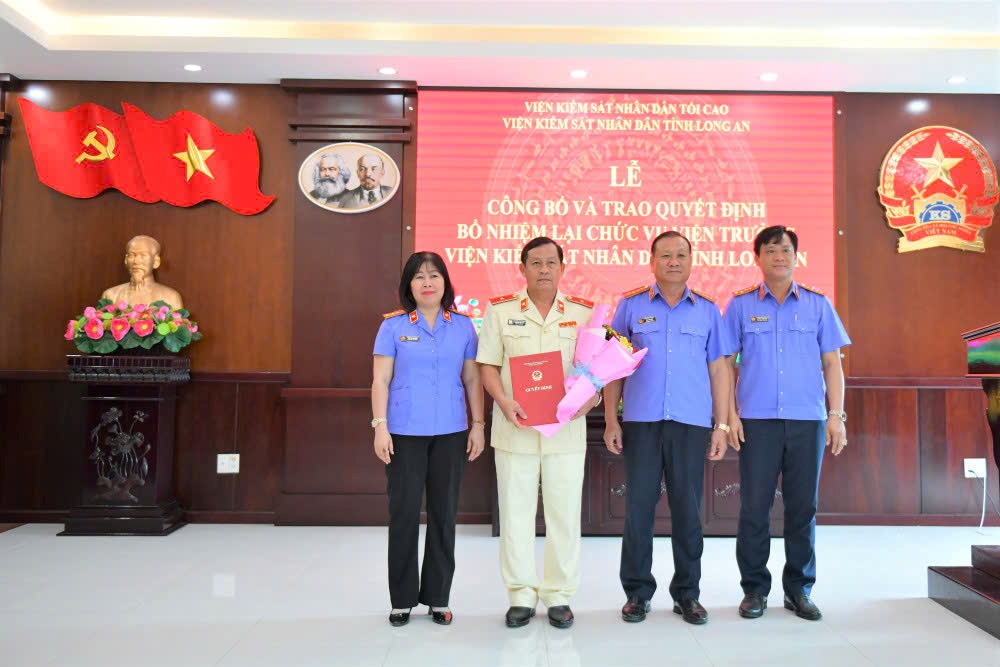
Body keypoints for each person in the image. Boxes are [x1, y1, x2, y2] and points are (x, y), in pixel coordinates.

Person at [603, 231, 733, 625]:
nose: (673, 261)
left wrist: (722, 425)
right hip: (642, 422)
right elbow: (613, 368)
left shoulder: (708, 310)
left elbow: (719, 370)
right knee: (638, 510)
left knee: (689, 512)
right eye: (665, 255)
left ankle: (687, 594)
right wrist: (611, 418)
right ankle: (638, 593)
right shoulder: (630, 306)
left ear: (691, 260)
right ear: (652, 260)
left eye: (680, 255)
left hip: (691, 424)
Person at [723, 225, 850, 622]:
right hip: (756, 421)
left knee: (802, 508)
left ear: (797, 257)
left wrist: (836, 416)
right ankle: (755, 591)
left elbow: (832, 363)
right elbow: (726, 364)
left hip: (806, 420)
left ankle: (799, 590)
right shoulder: (741, 305)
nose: (780, 257)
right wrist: (729, 417)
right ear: (756, 258)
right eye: (771, 250)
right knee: (754, 508)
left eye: (787, 250)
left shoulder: (817, 304)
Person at [476, 236, 600, 630]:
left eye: (551, 262)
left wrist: (590, 401)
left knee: (564, 516)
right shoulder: (500, 311)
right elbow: (487, 366)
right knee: (516, 515)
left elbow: (596, 371)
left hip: (565, 433)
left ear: (563, 267)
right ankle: (520, 595)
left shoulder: (582, 313)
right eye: (536, 263)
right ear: (522, 267)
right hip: (516, 430)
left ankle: (560, 596)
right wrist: (502, 401)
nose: (544, 269)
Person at [371, 251, 486, 627]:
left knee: (444, 516)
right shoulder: (393, 326)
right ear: (409, 285)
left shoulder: (464, 327)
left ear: (445, 282)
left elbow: (471, 379)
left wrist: (478, 424)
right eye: (419, 277)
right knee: (403, 514)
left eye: (434, 275)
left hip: (451, 433)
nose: (427, 283)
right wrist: (380, 426)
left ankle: (438, 597)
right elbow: (380, 381)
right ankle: (401, 598)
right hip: (404, 433)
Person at [101, 235, 183, 309]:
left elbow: (178, 323)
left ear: (156, 261)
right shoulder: (110, 296)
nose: (136, 261)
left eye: (143, 255)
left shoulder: (171, 297)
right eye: (132, 255)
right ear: (126, 260)